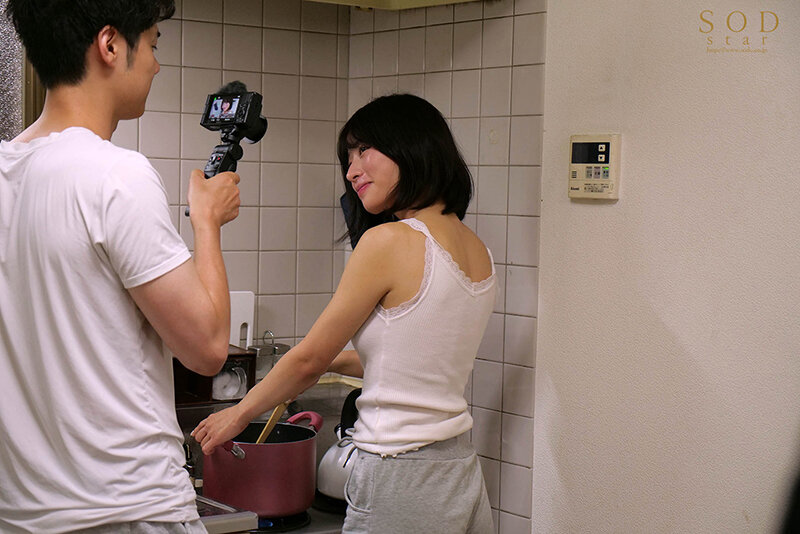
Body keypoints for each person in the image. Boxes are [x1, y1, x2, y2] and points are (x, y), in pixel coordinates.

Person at [191, 93, 497, 533]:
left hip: (398, 477)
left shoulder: (390, 241)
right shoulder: (476, 249)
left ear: (411, 145)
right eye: (348, 158)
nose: (352, 171)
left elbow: (308, 359)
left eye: (364, 150)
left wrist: (236, 415)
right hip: (459, 470)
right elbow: (414, 361)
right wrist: (336, 360)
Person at [0, 1, 240, 532]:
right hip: (131, 509)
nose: (156, 64)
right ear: (110, 45)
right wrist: (207, 223)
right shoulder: (115, 175)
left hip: (23, 515)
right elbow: (207, 350)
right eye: (152, 43)